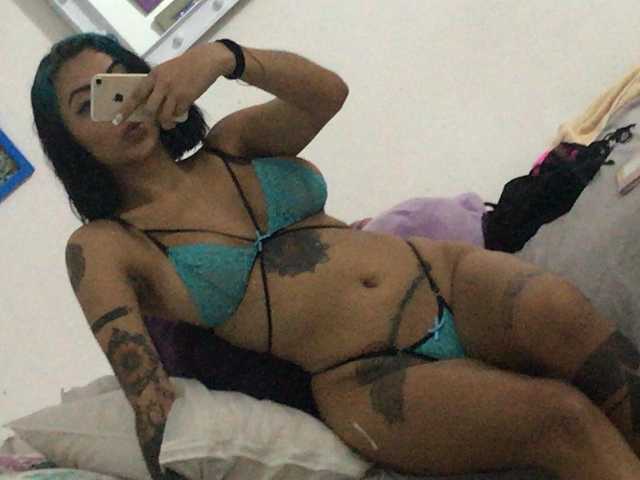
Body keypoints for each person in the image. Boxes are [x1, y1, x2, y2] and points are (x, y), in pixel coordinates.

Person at [31, 32, 640, 480]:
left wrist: (223, 57)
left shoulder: (233, 144)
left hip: (444, 278)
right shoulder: (106, 244)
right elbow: (149, 398)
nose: (120, 104)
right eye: (88, 104)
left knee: (593, 346)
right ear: (69, 142)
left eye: (122, 80)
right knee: (561, 417)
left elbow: (327, 94)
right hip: (368, 375)